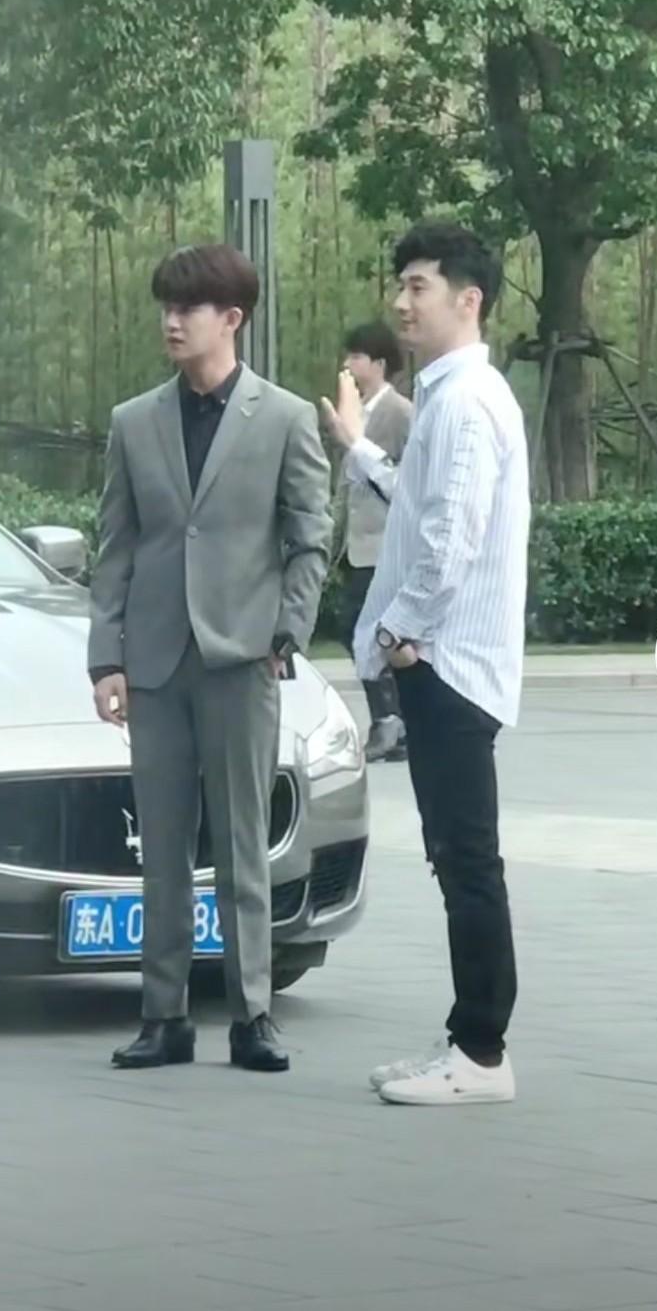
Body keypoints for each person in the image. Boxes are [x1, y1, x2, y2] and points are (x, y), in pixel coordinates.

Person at [88, 243, 332, 1074]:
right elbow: (115, 547)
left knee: (240, 842)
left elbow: (310, 537)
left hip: (242, 659)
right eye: (165, 306)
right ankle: (163, 1015)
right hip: (155, 662)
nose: (171, 320)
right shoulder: (133, 421)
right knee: (161, 846)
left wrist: (284, 632)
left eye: (186, 308)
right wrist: (105, 658)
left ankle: (252, 1013)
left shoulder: (285, 418)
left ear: (231, 318)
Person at [331, 221, 530, 1105]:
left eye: (418, 286)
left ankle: (480, 1054)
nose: (400, 302)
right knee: (456, 856)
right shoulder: (452, 395)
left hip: (447, 663)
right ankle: (466, 1040)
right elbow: (420, 502)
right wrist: (358, 448)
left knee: (466, 858)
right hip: (441, 659)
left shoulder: (465, 400)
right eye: (400, 285)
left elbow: (450, 536)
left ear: (467, 298)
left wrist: (397, 633)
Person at [322, 322, 412, 762]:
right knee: (358, 630)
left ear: (378, 364)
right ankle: (394, 720)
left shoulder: (401, 413)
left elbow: (406, 484)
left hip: (384, 546)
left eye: (356, 357)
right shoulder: (352, 412)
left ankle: (391, 720)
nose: (348, 365)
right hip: (354, 547)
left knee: (370, 631)